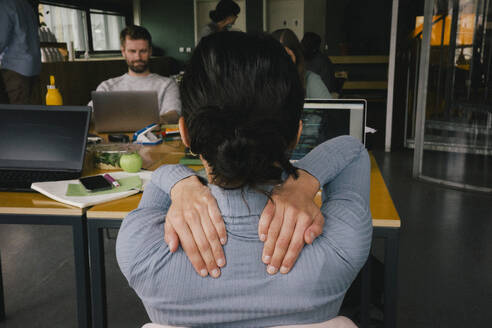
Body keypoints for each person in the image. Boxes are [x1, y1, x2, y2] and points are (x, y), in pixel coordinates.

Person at [116, 31, 371, 327]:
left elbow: (157, 177)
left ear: (185, 133)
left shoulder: (141, 252)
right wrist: (304, 182)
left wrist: (180, 181)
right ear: (296, 135)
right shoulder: (339, 249)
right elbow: (352, 150)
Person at [89, 25, 181, 124]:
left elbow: (175, 114)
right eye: (132, 51)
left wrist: (155, 121)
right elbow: (88, 115)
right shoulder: (107, 87)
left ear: (150, 51)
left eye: (143, 51)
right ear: (123, 52)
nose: (138, 57)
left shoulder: (167, 84)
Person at [0, 0, 41, 105]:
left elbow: (1, 39)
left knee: (20, 113)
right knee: (31, 111)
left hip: (16, 68)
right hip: (33, 67)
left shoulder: (5, 5)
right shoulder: (26, 5)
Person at [272, 28, 332, 99]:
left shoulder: (312, 80)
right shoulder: (265, 81)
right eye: (274, 57)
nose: (280, 63)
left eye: (287, 56)